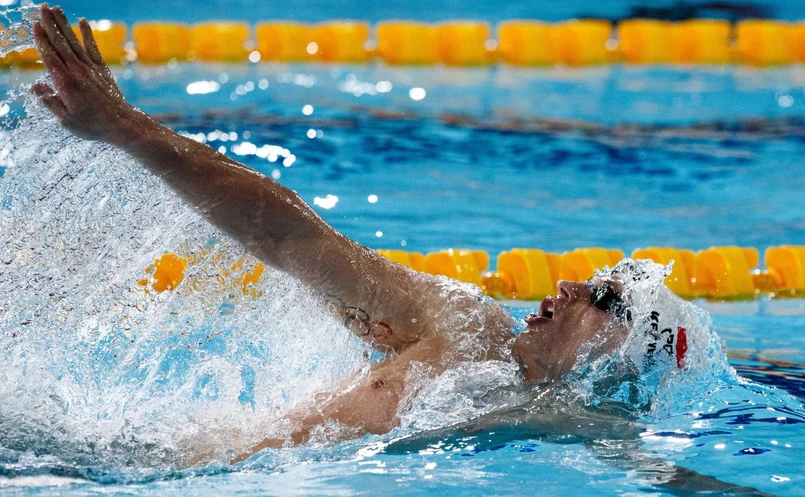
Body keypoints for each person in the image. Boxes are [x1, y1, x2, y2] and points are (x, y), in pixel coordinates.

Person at [28, 5, 657, 461]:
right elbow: (289, 236)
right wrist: (126, 128)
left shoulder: (564, 421)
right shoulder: (470, 327)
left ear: (624, 349)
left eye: (604, 299)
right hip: (150, 464)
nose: (570, 286)